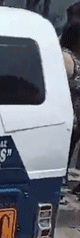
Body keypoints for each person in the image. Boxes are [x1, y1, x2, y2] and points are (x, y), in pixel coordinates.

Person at [60, 22, 80, 194]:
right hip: (70, 114)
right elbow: (65, 85)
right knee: (64, 152)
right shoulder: (66, 58)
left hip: (75, 115)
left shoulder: (74, 56)